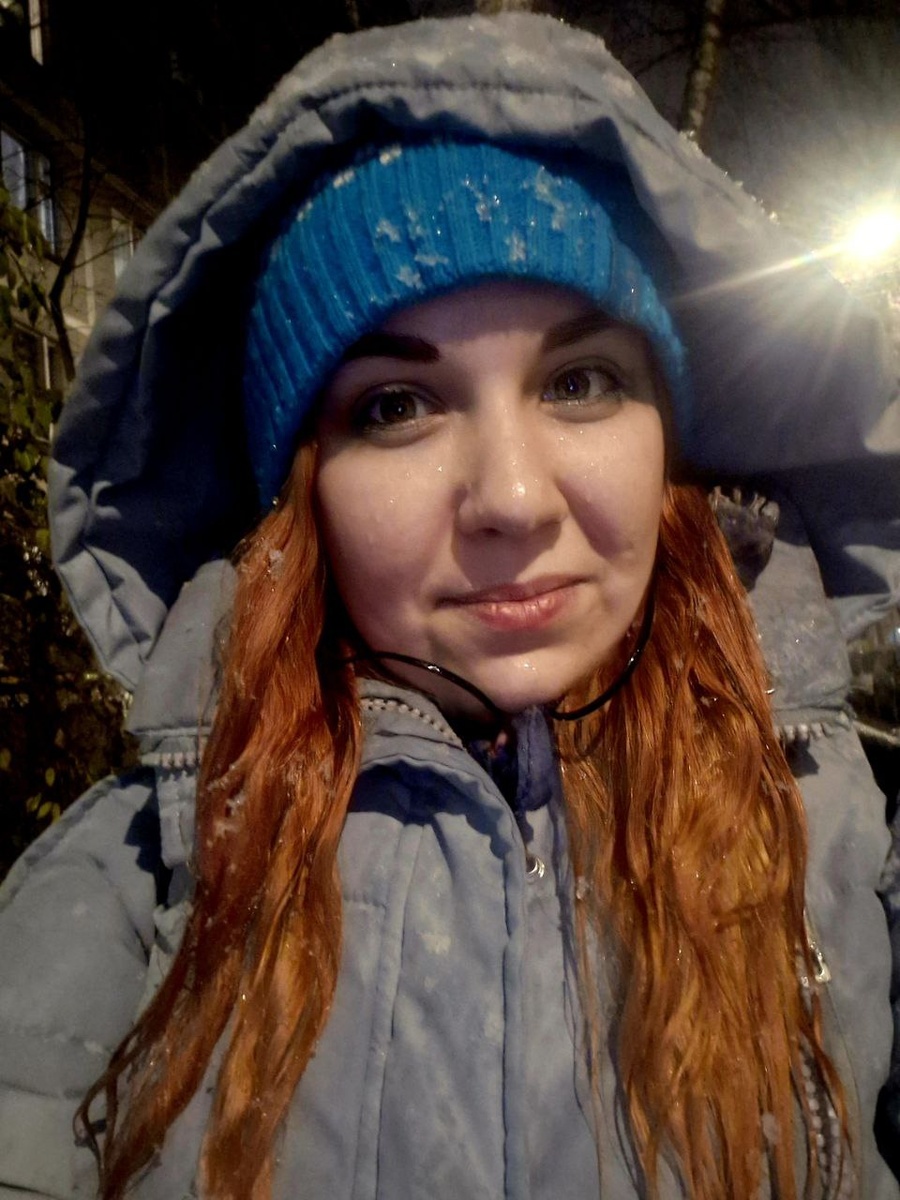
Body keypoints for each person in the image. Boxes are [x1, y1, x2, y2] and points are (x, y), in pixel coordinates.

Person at [1, 12, 898, 1200]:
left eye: (581, 382)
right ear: (304, 497)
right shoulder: (142, 877)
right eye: (396, 408)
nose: (513, 501)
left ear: (668, 445)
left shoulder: (837, 833)